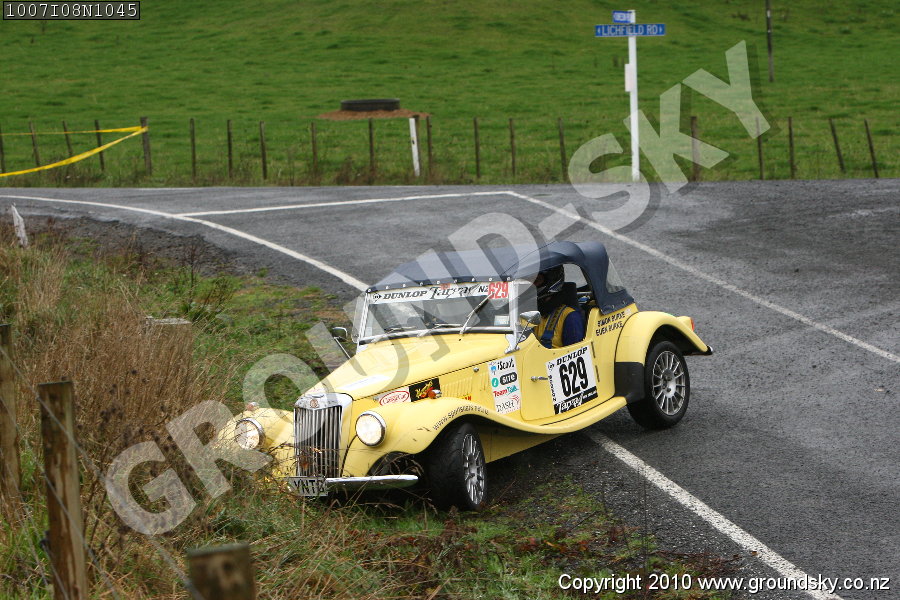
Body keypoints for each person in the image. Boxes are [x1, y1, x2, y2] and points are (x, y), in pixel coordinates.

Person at [533, 266, 585, 348]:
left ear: (551, 280)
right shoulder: (531, 311)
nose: (531, 285)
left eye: (536, 280)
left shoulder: (570, 316)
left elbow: (575, 352)